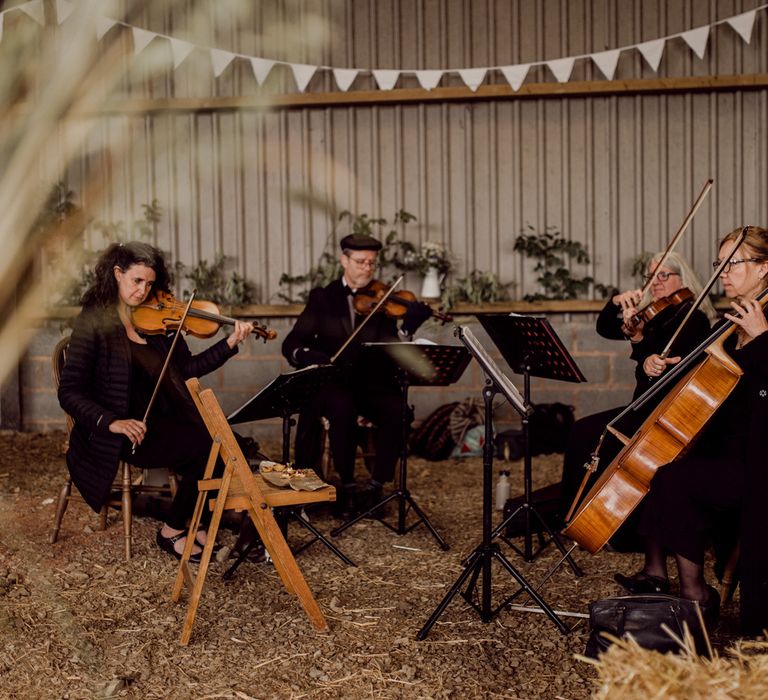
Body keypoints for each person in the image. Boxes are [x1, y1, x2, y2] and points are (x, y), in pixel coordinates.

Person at [58, 241, 254, 561]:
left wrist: (230, 342)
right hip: (119, 432)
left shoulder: (155, 323)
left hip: (157, 420)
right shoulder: (93, 323)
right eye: (136, 281)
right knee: (203, 448)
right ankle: (172, 531)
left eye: (149, 283)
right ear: (117, 274)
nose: (143, 291)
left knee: (223, 442)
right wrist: (112, 421)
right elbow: (69, 391)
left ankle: (196, 523)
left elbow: (187, 369)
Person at [614, 225, 768, 633]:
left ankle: (696, 596)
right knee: (666, 471)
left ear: (764, 267)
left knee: (677, 479)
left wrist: (763, 340)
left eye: (732, 264)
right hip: (733, 445)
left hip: (760, 455)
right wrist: (658, 362)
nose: (722, 273)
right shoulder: (730, 319)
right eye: (720, 265)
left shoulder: (759, 322)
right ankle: (691, 593)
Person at [560, 251, 715, 546]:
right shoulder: (652, 315)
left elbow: (670, 373)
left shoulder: (692, 319)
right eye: (650, 276)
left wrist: (642, 347)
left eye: (663, 275)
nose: (655, 282)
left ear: (682, 278)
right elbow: (605, 328)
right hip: (640, 404)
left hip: (662, 411)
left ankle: (608, 525)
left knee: (590, 433)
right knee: (583, 430)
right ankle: (574, 515)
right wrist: (617, 304)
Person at [282, 233, 432, 516]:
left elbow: (393, 349)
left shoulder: (383, 300)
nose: (367, 269)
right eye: (361, 262)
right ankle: (347, 486)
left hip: (371, 384)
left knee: (397, 410)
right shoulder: (323, 297)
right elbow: (290, 344)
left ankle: (376, 485)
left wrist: (407, 329)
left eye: (372, 264)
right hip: (334, 384)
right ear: (344, 260)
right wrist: (306, 355)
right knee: (342, 407)